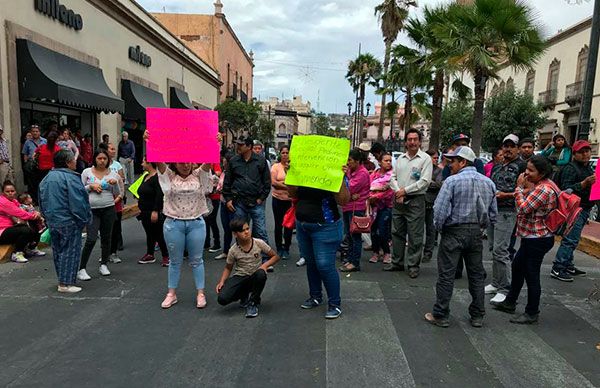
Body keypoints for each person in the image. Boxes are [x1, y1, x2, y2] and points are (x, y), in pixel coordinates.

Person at [145, 129, 218, 309]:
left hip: (196, 223)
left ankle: (200, 293)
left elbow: (209, 160)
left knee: (197, 259)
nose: (185, 165)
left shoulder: (200, 174)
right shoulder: (168, 176)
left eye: (188, 162)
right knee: (175, 260)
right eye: (181, 162)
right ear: (175, 164)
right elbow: (158, 160)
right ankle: (172, 293)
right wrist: (148, 141)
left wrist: (217, 143)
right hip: (173, 223)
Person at [424, 146, 497, 328]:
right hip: (475, 233)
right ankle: (478, 315)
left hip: (453, 232)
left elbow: (440, 211)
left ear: (463, 162)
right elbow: (493, 214)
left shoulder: (451, 182)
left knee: (446, 275)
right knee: (476, 275)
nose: (450, 165)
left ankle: (441, 314)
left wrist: (440, 229)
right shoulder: (488, 183)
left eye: (453, 162)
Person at [491, 156, 557, 324]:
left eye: (531, 170)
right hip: (531, 237)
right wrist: (521, 190)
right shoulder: (541, 185)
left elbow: (523, 208)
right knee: (518, 267)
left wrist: (519, 188)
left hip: (538, 238)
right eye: (526, 169)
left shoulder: (544, 189)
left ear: (541, 173)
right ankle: (510, 302)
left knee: (531, 274)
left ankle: (532, 312)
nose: (526, 173)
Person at [288, 176, 350, 319]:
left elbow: (344, 200)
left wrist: (339, 177)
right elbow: (292, 194)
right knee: (311, 262)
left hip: (326, 226)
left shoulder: (332, 168)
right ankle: (315, 296)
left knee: (324, 265)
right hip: (303, 224)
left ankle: (335, 304)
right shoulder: (304, 168)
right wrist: (291, 175)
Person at [39, 150, 92, 293]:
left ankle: (62, 280)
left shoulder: (47, 178)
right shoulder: (71, 178)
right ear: (68, 162)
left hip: (53, 220)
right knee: (70, 251)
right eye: (73, 160)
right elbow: (78, 202)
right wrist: (85, 219)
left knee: (58, 251)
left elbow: (41, 201)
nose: (76, 162)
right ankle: (66, 283)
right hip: (68, 220)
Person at [386, 128, 432, 278]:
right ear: (406, 142)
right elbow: (392, 177)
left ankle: (413, 265)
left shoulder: (425, 159)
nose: (412, 142)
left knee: (415, 234)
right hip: (398, 200)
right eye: (409, 139)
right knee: (396, 232)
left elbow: (424, 182)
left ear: (419, 142)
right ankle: (397, 262)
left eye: (415, 139)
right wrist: (398, 191)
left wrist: (405, 191)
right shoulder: (400, 159)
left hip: (415, 201)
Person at [486, 134, 526, 304]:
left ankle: (505, 288)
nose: (508, 149)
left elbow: (526, 191)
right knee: (493, 249)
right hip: (493, 210)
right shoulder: (497, 167)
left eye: (512, 146)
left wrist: (506, 195)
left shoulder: (522, 167)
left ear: (517, 148)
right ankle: (496, 283)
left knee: (502, 251)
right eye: (505, 146)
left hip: (508, 212)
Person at [222, 136, 271, 269]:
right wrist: (228, 199)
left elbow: (267, 183)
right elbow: (228, 181)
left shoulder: (261, 161)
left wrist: (261, 198)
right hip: (239, 203)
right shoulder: (233, 161)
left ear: (249, 146)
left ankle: (265, 260)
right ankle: (242, 258)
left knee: (260, 231)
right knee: (240, 232)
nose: (238, 147)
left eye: (241, 145)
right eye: (237, 144)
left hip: (256, 202)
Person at [551, 140, 596, 282]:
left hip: (584, 208)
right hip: (574, 209)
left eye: (587, 151)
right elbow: (566, 190)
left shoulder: (587, 168)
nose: (585, 154)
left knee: (573, 239)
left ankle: (568, 265)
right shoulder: (570, 168)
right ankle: (558, 267)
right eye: (581, 152)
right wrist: (583, 184)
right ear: (574, 154)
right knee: (570, 239)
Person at [216, 219, 280, 318]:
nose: (246, 232)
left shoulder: (258, 243)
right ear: (235, 234)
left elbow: (275, 256)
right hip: (241, 276)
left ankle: (253, 303)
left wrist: (264, 266)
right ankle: (243, 295)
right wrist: (222, 282)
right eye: (242, 231)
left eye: (247, 229)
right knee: (222, 298)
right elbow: (228, 268)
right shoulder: (233, 250)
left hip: (255, 275)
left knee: (261, 274)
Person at [78, 150, 120, 280]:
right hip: (92, 209)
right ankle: (82, 268)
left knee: (107, 238)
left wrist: (115, 184)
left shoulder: (113, 174)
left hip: (108, 208)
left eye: (105, 159)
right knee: (91, 239)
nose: (102, 161)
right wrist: (90, 187)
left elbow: (118, 192)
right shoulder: (87, 172)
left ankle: (104, 264)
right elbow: (79, 190)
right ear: (95, 159)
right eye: (99, 158)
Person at [340, 149, 371, 272]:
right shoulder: (350, 171)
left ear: (357, 161)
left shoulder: (362, 173)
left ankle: (355, 262)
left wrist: (349, 191)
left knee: (355, 236)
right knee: (349, 234)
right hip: (348, 206)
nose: (348, 163)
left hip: (356, 208)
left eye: (350, 160)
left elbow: (348, 187)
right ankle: (350, 259)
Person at [136, 157, 169, 266]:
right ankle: (150, 254)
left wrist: (155, 211)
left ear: (149, 163)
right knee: (149, 233)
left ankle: (166, 256)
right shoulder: (145, 176)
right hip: (144, 211)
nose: (142, 164)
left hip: (152, 211)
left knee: (158, 234)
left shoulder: (157, 178)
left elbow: (159, 195)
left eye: (143, 162)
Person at [0, 181, 43, 263]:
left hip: (10, 228)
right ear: (3, 193)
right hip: (2, 231)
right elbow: (20, 213)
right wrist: (34, 215)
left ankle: (31, 248)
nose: (10, 193)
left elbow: (23, 211)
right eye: (7, 191)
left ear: (15, 192)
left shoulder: (14, 202)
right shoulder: (3, 202)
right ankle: (17, 253)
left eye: (12, 191)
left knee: (35, 224)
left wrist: (36, 215)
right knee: (25, 230)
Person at [368, 153, 394, 264]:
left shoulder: (392, 175)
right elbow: (368, 187)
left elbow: (390, 191)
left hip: (386, 206)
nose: (388, 163)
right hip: (373, 207)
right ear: (379, 162)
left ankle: (387, 252)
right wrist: (372, 195)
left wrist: (376, 195)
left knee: (383, 230)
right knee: (373, 230)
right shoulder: (373, 174)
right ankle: (376, 252)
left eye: (390, 161)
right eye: (386, 160)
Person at [270, 145, 293, 259]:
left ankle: (286, 248)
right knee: (278, 225)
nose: (285, 155)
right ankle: (279, 248)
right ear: (280, 154)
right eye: (283, 153)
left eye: (287, 152)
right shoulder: (275, 167)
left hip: (290, 201)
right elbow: (273, 182)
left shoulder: (293, 167)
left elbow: (295, 183)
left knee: (288, 225)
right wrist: (287, 186)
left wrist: (285, 184)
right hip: (277, 200)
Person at [423, 148, 443, 263]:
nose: (436, 160)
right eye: (434, 158)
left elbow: (438, 184)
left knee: (431, 230)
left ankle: (428, 252)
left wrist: (426, 182)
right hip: (420, 202)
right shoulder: (422, 169)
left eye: (437, 158)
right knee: (418, 230)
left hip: (432, 203)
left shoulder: (438, 171)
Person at [106, 143, 125, 262]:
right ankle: (105, 253)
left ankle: (114, 251)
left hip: (116, 200)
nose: (114, 151)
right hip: (104, 201)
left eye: (114, 149)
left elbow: (122, 180)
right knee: (105, 230)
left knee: (116, 227)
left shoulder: (117, 165)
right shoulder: (95, 169)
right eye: (111, 149)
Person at [32, 131, 61, 203]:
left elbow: (33, 156)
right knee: (52, 187)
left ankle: (42, 201)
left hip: (42, 170)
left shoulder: (41, 147)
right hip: (53, 171)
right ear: (56, 140)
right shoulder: (58, 149)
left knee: (42, 187)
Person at [215, 151, 233, 261]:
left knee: (235, 228)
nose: (223, 161)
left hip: (231, 203)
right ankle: (226, 251)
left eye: (225, 160)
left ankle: (241, 252)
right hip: (223, 202)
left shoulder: (234, 173)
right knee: (226, 228)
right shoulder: (224, 172)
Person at [203, 162, 222, 253]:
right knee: (205, 219)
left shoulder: (214, 163)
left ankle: (217, 243)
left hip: (214, 197)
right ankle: (206, 242)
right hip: (205, 197)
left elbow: (218, 174)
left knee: (212, 219)